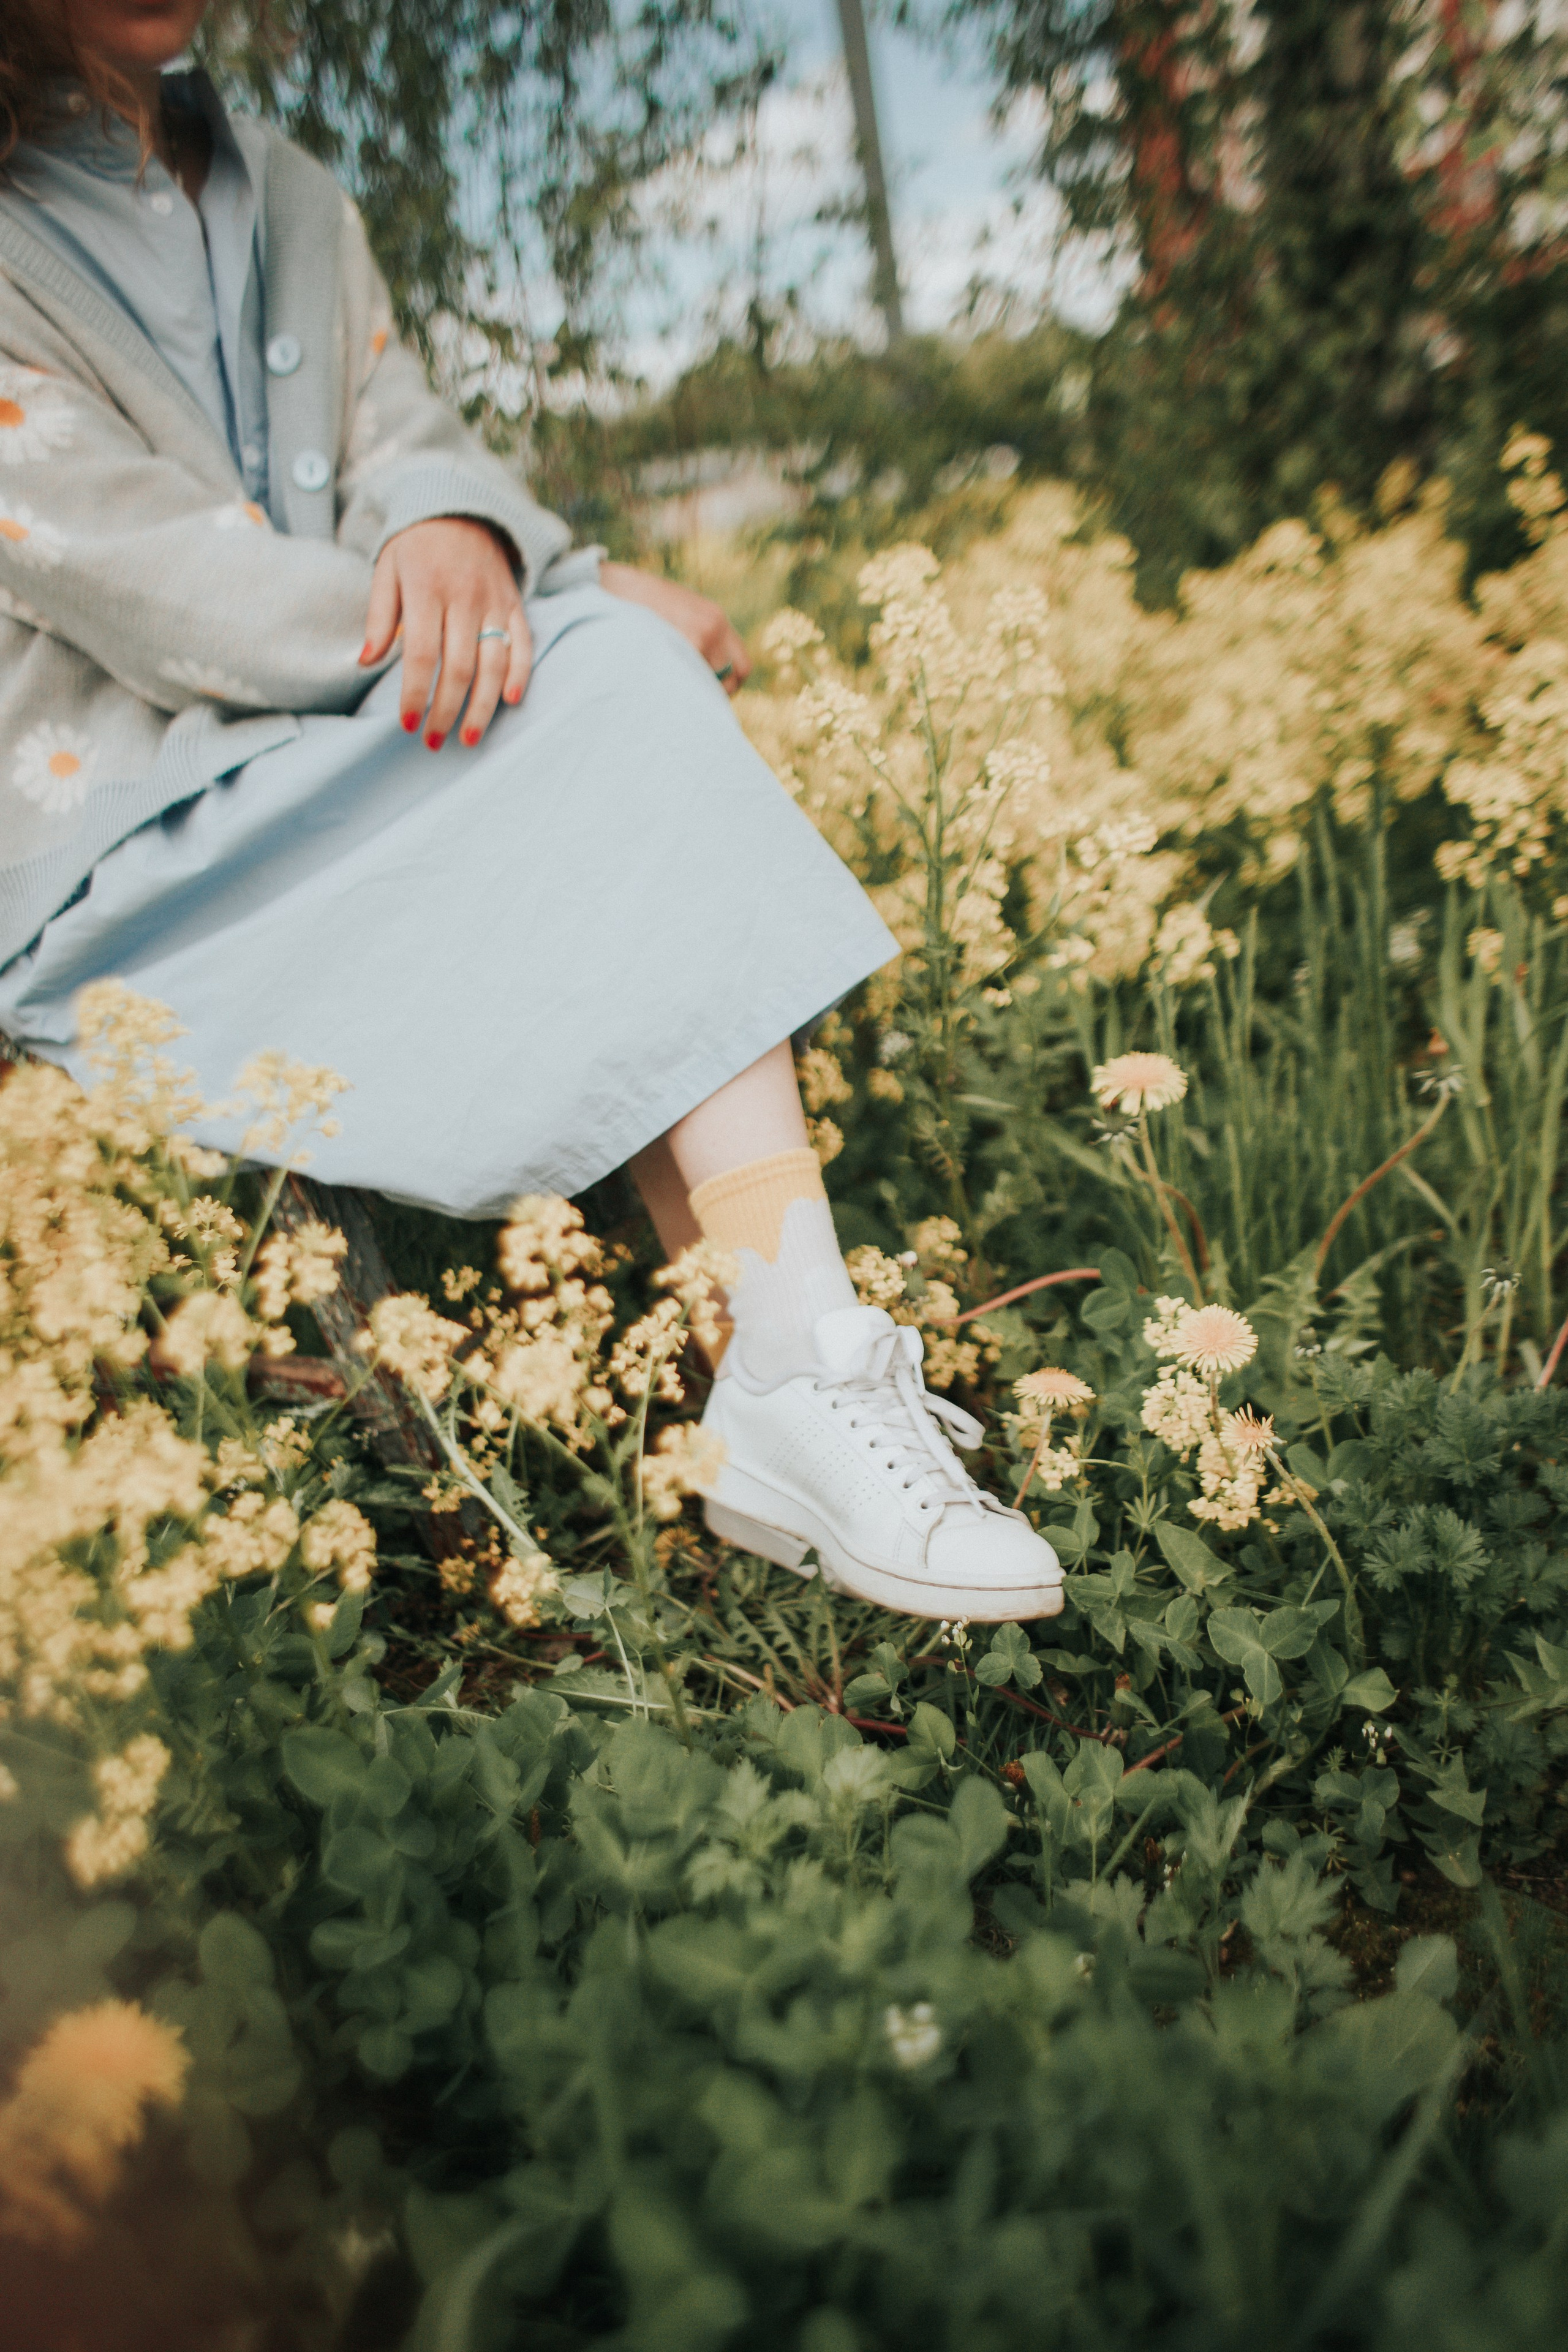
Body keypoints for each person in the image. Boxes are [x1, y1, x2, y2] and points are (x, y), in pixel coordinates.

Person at [0, 0, 1061, 1622]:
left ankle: (789, 1374)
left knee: (619, 688)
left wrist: (474, 533)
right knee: (611, 700)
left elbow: (403, 436)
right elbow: (154, 583)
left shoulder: (283, 188)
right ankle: (798, 1372)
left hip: (327, 752)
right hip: (132, 850)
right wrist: (508, 607)